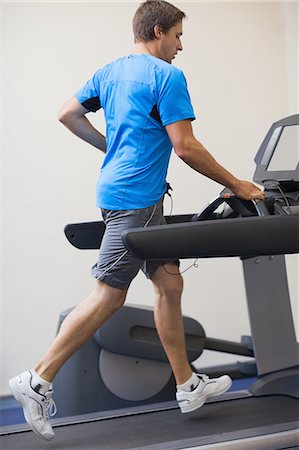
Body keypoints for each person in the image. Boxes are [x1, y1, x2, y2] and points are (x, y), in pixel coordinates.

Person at [9, 0, 265, 441]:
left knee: (169, 282)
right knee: (108, 294)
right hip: (138, 201)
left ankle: (187, 384)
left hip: (114, 191)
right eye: (179, 36)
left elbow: (67, 113)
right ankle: (37, 379)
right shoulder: (167, 76)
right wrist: (238, 183)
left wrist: (111, 147)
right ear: (160, 31)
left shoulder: (109, 72)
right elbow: (185, 147)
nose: (181, 47)